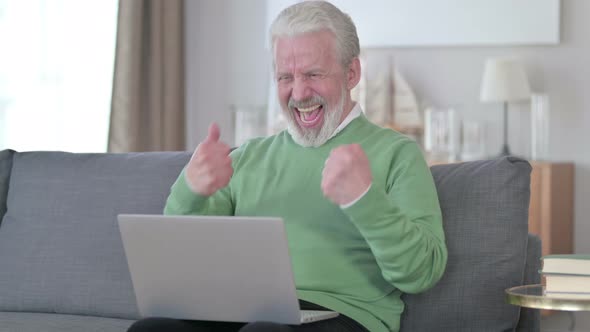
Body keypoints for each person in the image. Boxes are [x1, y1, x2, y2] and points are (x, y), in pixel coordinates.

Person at [127, 1, 447, 331]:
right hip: (244, 311)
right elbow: (180, 264)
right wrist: (189, 192)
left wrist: (364, 199)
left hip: (344, 317)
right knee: (151, 329)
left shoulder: (397, 153)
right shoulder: (248, 156)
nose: (299, 93)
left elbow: (421, 272)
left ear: (351, 73)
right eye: (285, 77)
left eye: (313, 74)